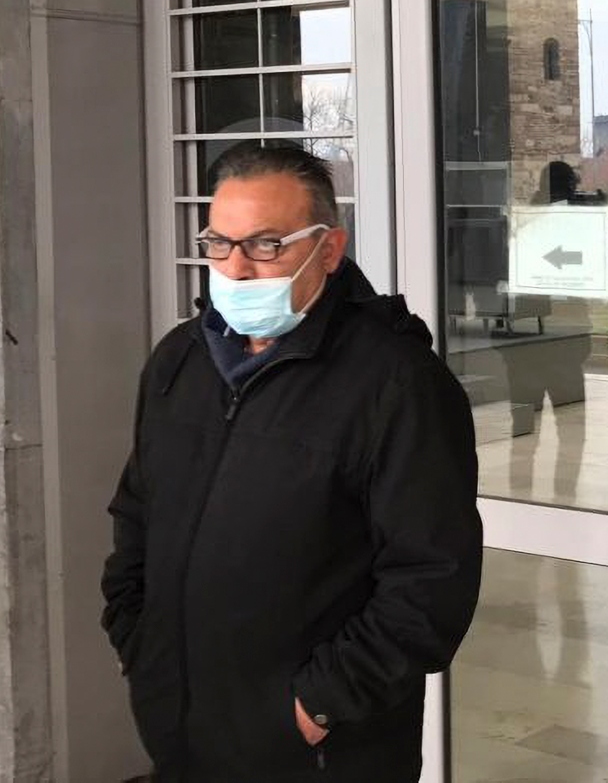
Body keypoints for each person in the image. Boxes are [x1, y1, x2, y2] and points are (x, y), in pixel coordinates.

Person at [101, 144, 483, 782]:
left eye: (266, 244)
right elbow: (137, 512)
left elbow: (431, 579)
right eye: (218, 243)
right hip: (182, 728)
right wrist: (136, 640)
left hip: (320, 751)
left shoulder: (397, 383)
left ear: (328, 250)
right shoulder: (179, 360)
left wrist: (318, 705)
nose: (236, 267)